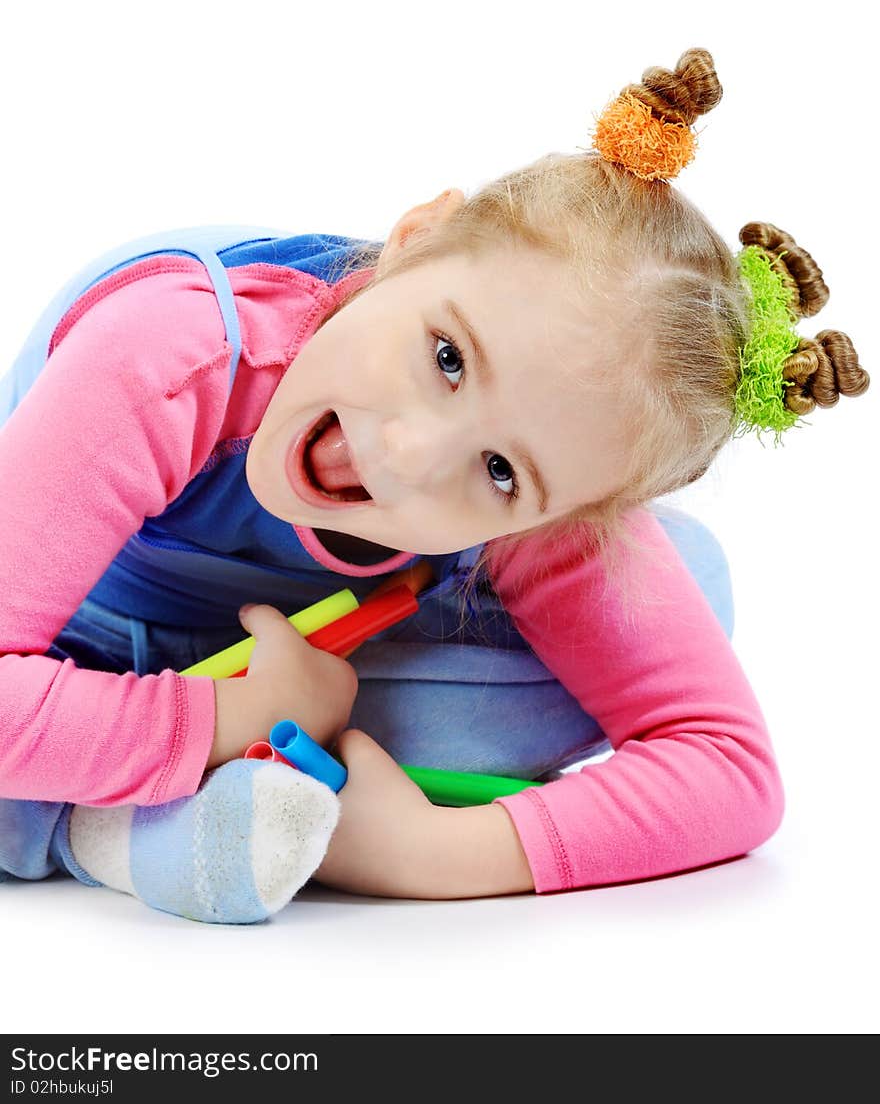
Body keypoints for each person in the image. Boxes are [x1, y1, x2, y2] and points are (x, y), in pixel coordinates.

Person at [0, 47, 869, 923]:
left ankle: (207, 795)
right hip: (72, 633)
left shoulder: (556, 469)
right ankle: (102, 829)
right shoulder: (171, 354)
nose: (407, 455)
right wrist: (228, 717)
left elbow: (728, 765)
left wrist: (440, 854)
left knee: (689, 579)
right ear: (411, 246)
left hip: (319, 662)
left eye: (499, 472)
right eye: (448, 359)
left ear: (564, 511)